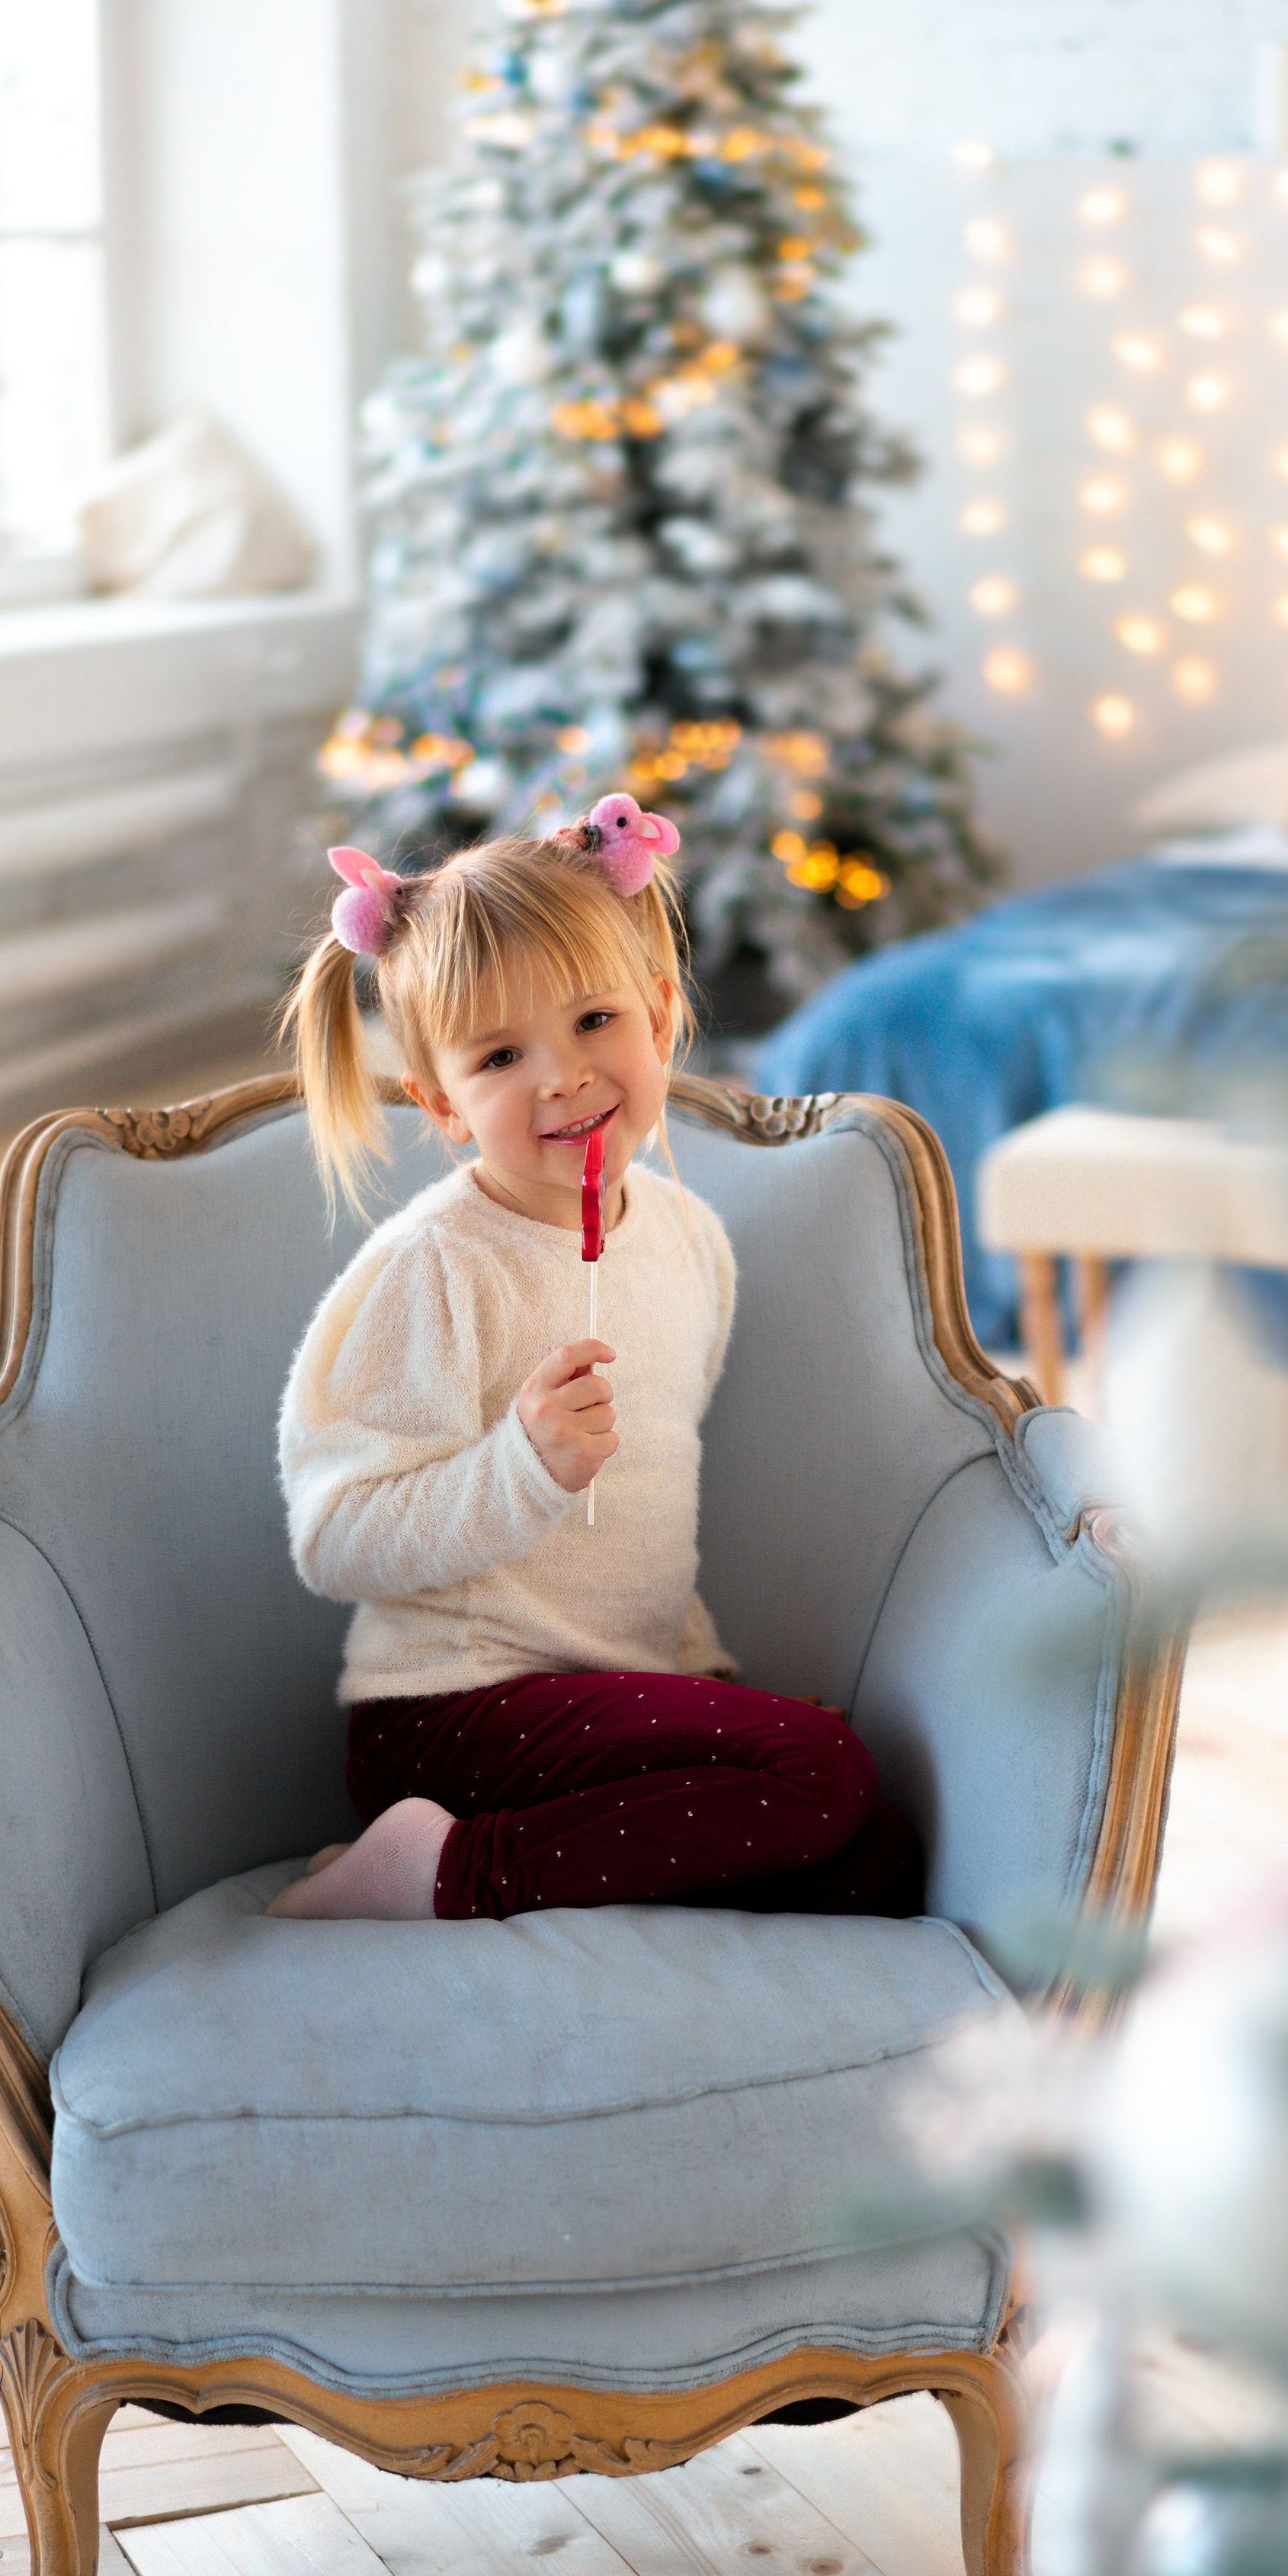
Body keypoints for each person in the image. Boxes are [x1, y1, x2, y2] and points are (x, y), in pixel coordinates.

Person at [267, 796, 923, 1925]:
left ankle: (547, 1872)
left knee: (882, 1859)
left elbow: (642, 1521)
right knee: (820, 1775)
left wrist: (700, 1700)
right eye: (501, 1055)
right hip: (455, 1716)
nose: (561, 1077)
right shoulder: (436, 1267)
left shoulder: (689, 1241)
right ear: (443, 1104)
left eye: (593, 1022)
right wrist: (517, 1469)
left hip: (612, 1702)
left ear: (662, 1018)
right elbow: (334, 1540)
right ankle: (425, 1876)